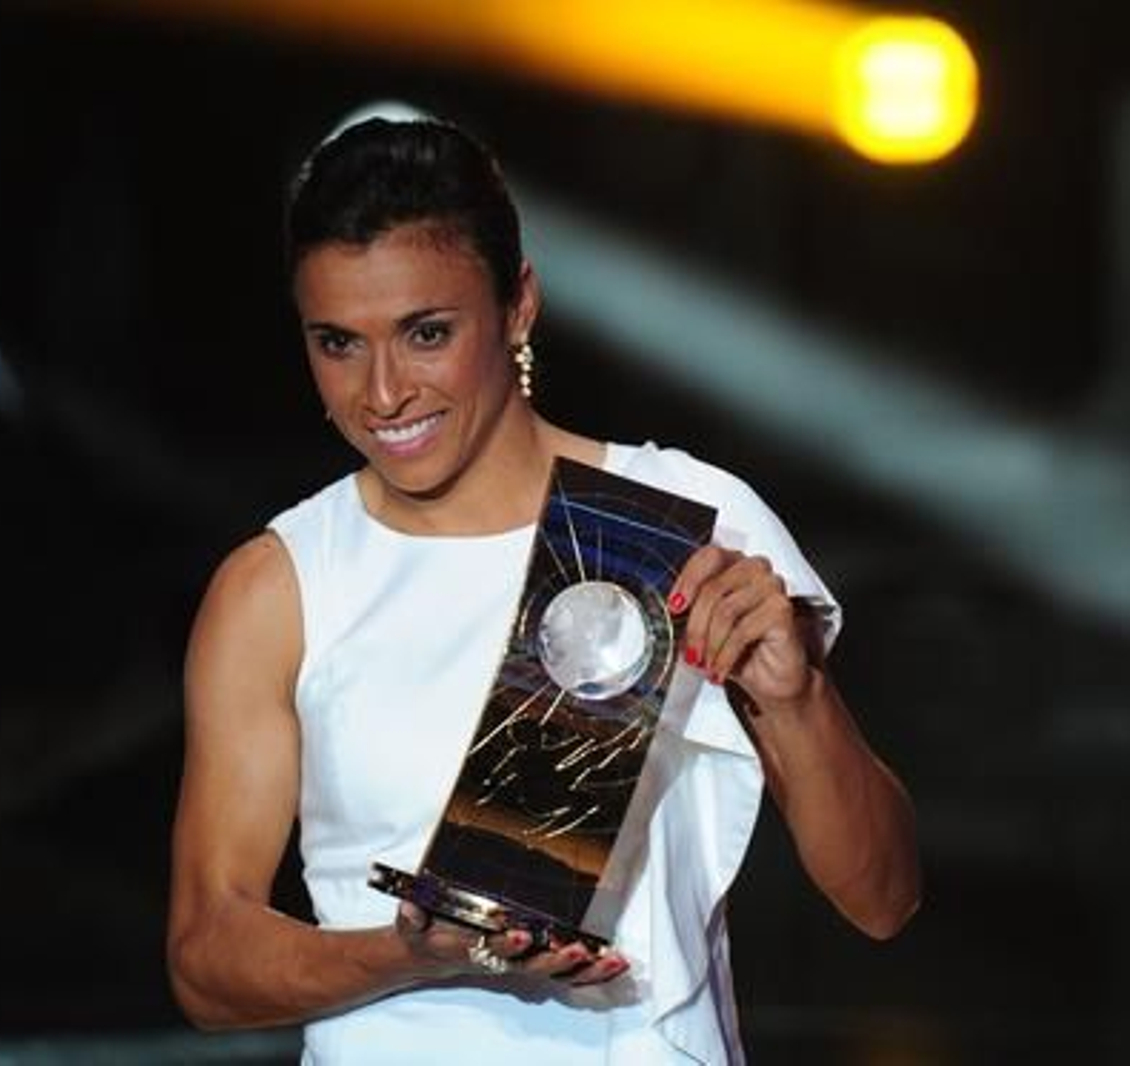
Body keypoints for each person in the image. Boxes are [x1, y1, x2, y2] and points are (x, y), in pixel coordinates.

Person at [166, 113, 920, 1064]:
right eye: (339, 343)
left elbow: (885, 899)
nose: (384, 392)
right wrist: (412, 955)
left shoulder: (681, 522)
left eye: (427, 333)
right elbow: (205, 961)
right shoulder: (280, 587)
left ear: (518, 305)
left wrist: (799, 700)